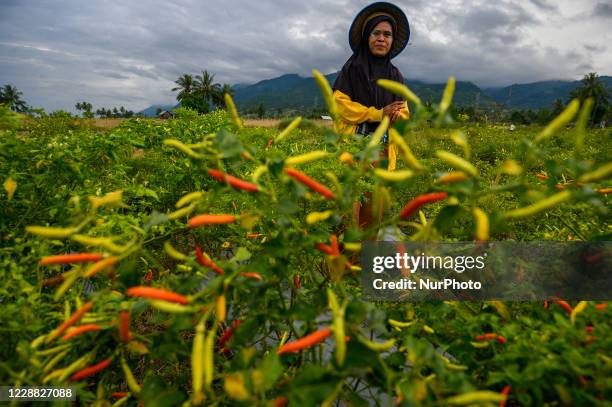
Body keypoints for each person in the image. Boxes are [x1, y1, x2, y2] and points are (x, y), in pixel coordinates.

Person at [332, 2, 411, 228]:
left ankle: (367, 259)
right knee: (349, 210)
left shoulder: (395, 75)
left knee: (372, 211)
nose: (381, 39)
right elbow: (339, 105)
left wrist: (398, 117)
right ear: (367, 36)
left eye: (387, 35)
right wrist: (377, 113)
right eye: (376, 33)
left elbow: (404, 110)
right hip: (354, 148)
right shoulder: (352, 69)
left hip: (382, 150)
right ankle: (346, 259)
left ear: (392, 41)